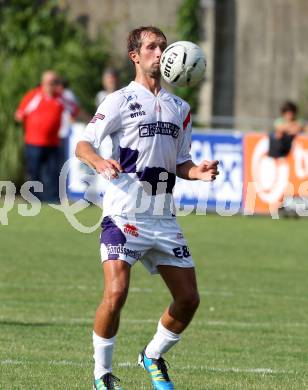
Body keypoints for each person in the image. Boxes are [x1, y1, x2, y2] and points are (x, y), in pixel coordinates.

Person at [75, 26, 219, 390]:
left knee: (188, 299)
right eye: (151, 47)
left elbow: (180, 162)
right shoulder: (119, 100)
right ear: (135, 56)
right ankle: (102, 374)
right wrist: (99, 163)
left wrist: (196, 172)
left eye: (163, 47)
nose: (160, 53)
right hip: (123, 213)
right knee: (116, 291)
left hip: (162, 217)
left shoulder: (180, 108)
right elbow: (84, 145)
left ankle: (152, 355)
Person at [15, 70, 64, 202]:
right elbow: (19, 114)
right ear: (43, 83)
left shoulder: (60, 98)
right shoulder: (33, 96)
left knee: (53, 172)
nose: (53, 85)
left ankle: (53, 199)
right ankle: (32, 198)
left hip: (53, 143)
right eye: (50, 82)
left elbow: (75, 110)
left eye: (55, 82)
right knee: (33, 172)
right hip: (34, 143)